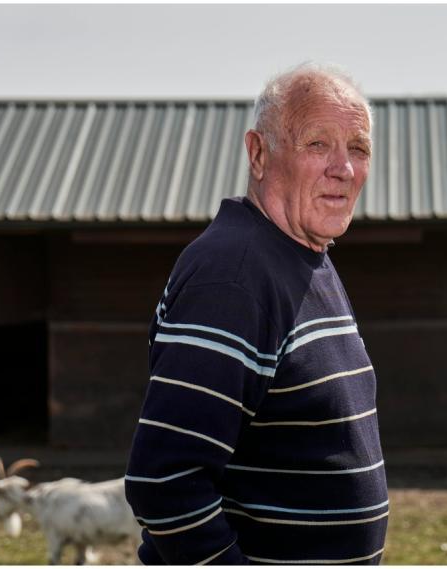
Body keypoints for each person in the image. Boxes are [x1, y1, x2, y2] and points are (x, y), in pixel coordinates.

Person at [124, 62, 388, 565]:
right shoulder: (234, 274)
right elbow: (164, 478)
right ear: (259, 153)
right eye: (317, 144)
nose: (344, 168)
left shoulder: (307, 258)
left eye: (358, 148)